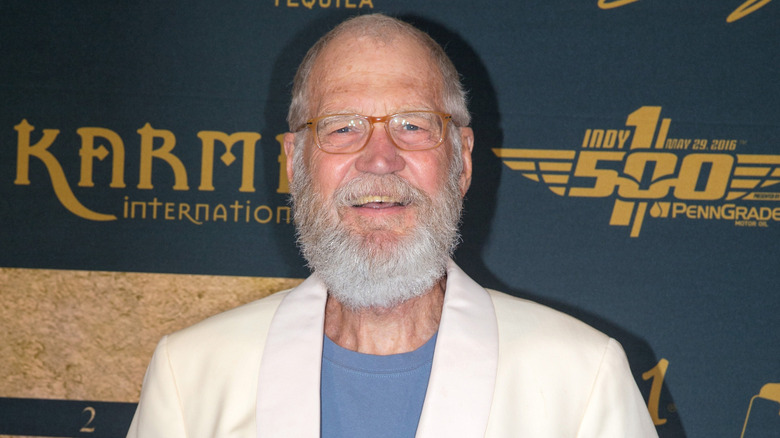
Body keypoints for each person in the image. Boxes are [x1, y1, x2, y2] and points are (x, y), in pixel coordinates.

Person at [127, 14, 658, 438]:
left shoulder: (581, 379)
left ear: (463, 160)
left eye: (412, 125)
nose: (379, 159)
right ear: (294, 162)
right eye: (341, 127)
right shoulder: (191, 374)